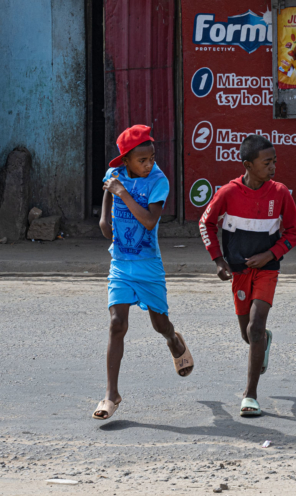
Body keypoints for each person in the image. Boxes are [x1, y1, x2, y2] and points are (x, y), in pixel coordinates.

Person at [93, 125, 194, 420]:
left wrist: (122, 193)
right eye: (142, 160)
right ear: (126, 160)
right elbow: (108, 190)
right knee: (116, 324)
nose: (149, 164)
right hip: (121, 263)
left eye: (152, 158)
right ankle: (111, 394)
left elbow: (149, 221)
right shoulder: (115, 175)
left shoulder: (158, 181)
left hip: (148, 265)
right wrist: (104, 218)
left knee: (159, 324)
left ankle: (173, 340)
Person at [199, 135, 296, 416]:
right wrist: (218, 260)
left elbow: (295, 232)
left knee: (256, 327)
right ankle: (262, 342)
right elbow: (205, 223)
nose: (273, 167)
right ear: (247, 165)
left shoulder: (280, 193)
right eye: (267, 163)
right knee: (249, 334)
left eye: (274, 161)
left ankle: (250, 395)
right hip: (239, 272)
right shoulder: (228, 193)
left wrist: (270, 254)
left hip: (267, 270)